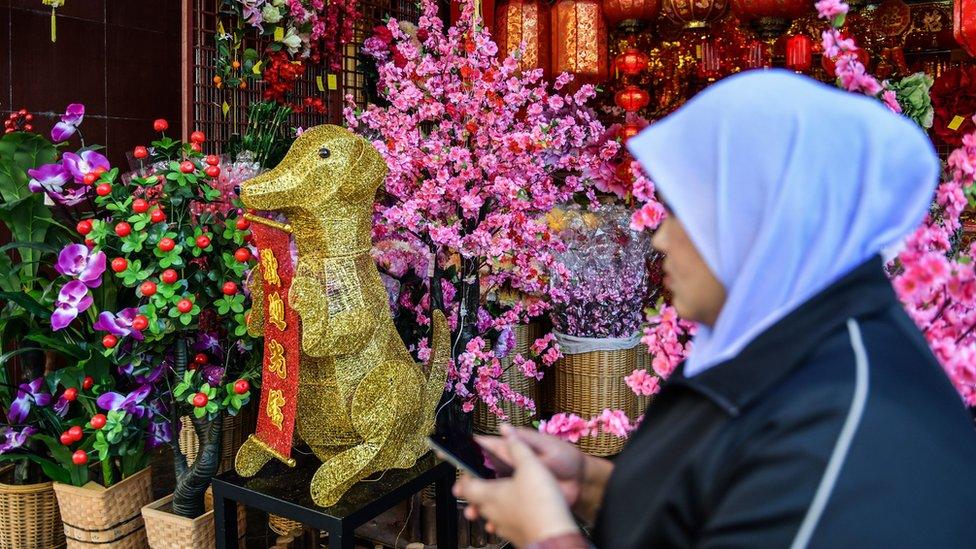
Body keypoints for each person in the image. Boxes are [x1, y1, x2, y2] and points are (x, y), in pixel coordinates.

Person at [454, 70, 976, 548]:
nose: (659, 238)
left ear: (755, 224)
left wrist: (548, 537)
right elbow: (730, 502)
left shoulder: (848, 417)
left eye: (682, 212)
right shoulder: (783, 340)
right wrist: (589, 485)